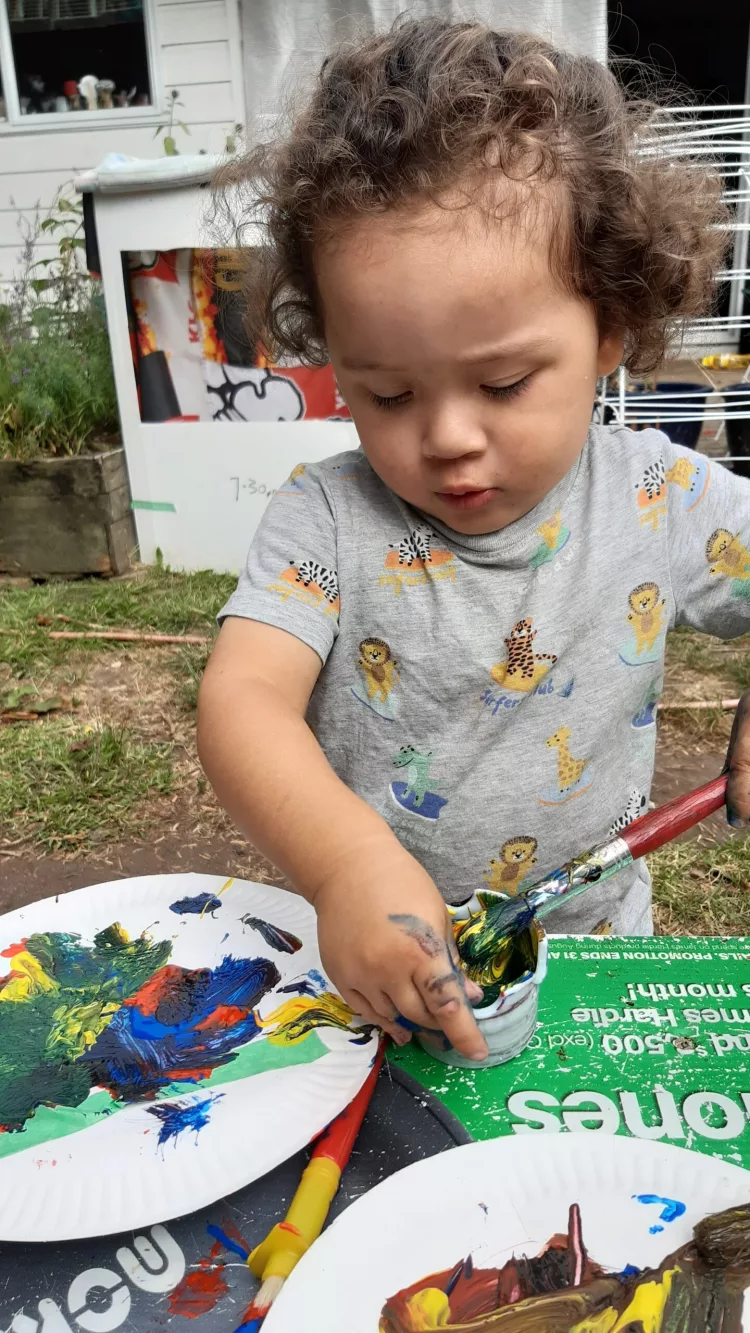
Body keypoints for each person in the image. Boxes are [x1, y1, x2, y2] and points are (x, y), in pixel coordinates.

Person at [198, 18, 750, 1062]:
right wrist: (346, 865)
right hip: (379, 980)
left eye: (503, 383)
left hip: (593, 972)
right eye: (387, 393)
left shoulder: (659, 497)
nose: (448, 437)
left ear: (610, 326)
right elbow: (243, 700)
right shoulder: (327, 520)